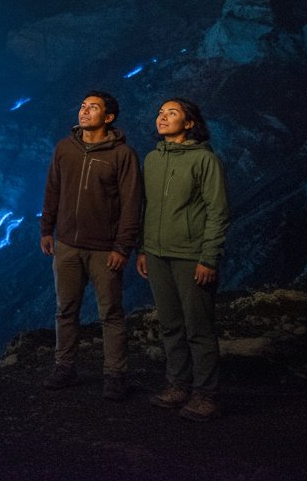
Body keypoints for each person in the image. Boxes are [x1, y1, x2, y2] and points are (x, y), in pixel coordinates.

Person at [39, 90, 142, 400]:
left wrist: (122, 247)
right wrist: (47, 229)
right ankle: (64, 367)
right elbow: (52, 190)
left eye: (93, 108)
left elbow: (131, 203)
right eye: (83, 105)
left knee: (110, 312)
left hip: (104, 249)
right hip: (67, 245)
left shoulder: (123, 155)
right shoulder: (64, 149)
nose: (84, 111)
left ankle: (115, 375)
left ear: (108, 118)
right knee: (65, 309)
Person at [137, 98, 230, 421]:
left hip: (191, 256)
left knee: (199, 327)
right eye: (160, 112)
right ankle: (178, 385)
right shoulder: (151, 159)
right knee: (170, 324)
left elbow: (218, 213)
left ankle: (206, 394)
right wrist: (143, 249)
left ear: (189, 123)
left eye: (172, 113)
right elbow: (145, 207)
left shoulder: (205, 161)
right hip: (158, 254)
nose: (162, 117)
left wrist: (209, 257)